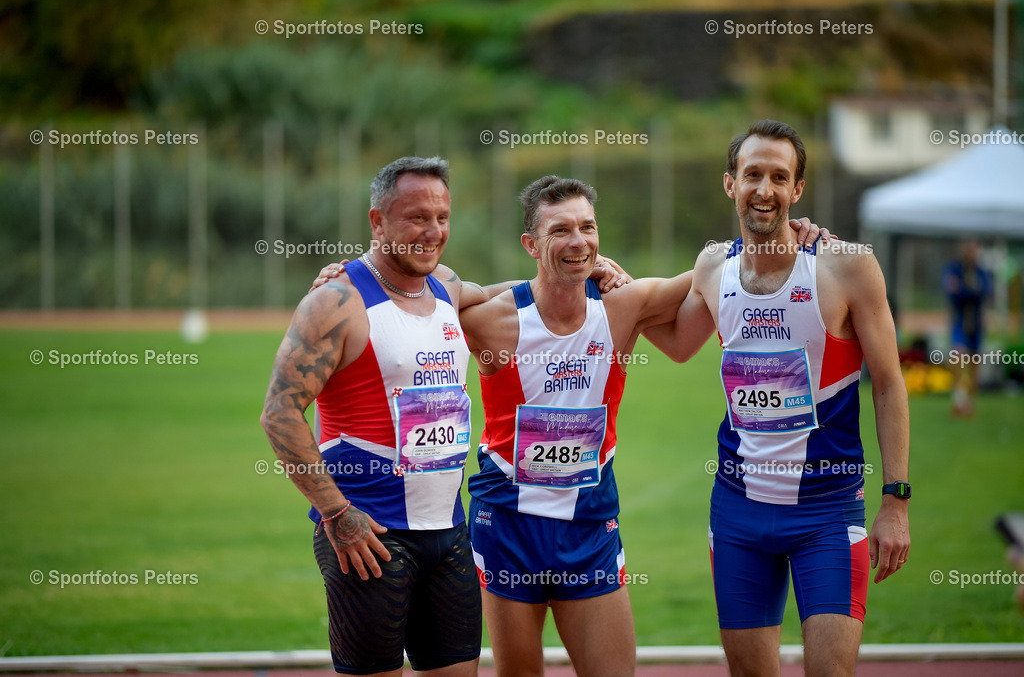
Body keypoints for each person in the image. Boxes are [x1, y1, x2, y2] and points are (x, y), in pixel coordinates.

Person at [308, 173, 826, 676]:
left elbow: (722, 273)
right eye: (560, 230)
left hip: (590, 526)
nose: (578, 240)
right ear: (530, 244)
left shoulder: (626, 306)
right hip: (506, 524)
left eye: (587, 228)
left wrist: (793, 234)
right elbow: (413, 295)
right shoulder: (489, 319)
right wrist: (353, 275)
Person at [263, 156, 625, 677]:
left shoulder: (445, 287)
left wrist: (586, 267)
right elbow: (278, 414)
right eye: (416, 218)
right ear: (378, 222)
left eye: (442, 217)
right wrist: (335, 514)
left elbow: (514, 294)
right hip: (370, 534)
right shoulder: (336, 302)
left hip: (451, 534)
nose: (433, 231)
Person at [645, 119, 911, 677]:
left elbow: (888, 382)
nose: (764, 189)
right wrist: (613, 289)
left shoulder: (846, 265)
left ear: (797, 190)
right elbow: (674, 343)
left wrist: (896, 501)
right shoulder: (712, 266)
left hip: (828, 511)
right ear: (730, 184)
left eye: (778, 177)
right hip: (738, 511)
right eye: (752, 175)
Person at [942, 239, 992, 418]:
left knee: (974, 364)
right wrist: (970, 291)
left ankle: (969, 403)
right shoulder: (954, 269)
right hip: (960, 321)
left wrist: (964, 290)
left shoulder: (981, 271)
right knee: (957, 357)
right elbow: (951, 290)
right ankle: (958, 399)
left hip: (976, 323)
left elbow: (985, 290)